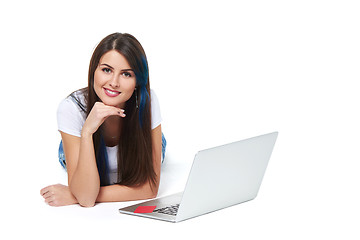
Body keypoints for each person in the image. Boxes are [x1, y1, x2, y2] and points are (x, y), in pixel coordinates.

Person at [40, 33, 165, 207]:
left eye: (126, 74)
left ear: (138, 81)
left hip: (138, 138)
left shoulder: (149, 101)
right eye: (107, 70)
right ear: (94, 71)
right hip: (79, 142)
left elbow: (150, 189)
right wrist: (86, 132)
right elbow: (86, 200)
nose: (114, 82)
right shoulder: (71, 108)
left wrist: (76, 194)